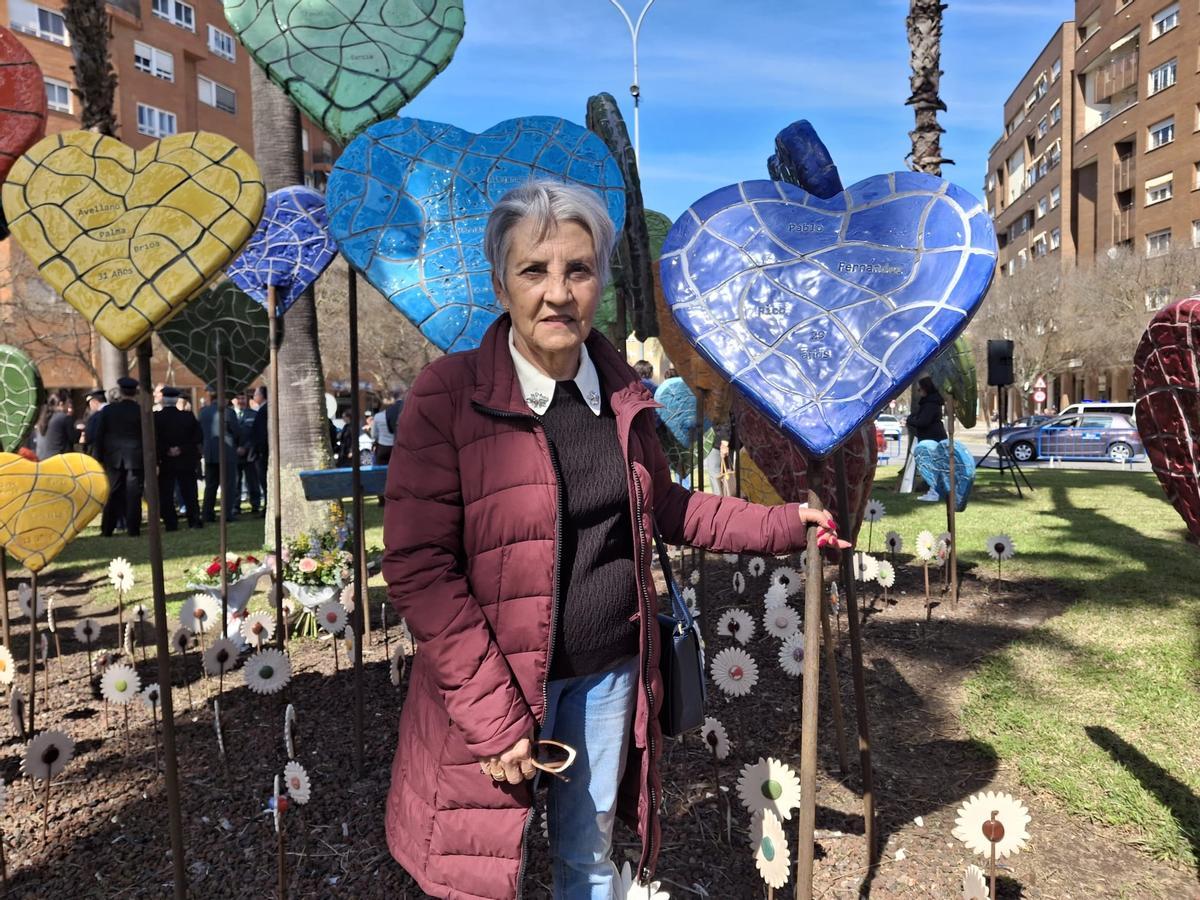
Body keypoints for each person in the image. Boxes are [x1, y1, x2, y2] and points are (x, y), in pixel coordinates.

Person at [381, 180, 847, 900]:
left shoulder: (622, 391)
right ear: (501, 284)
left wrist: (786, 524)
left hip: (607, 676)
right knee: (476, 878)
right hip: (494, 684)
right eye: (534, 270)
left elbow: (666, 507)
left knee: (588, 862)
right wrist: (495, 716)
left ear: (600, 279)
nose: (558, 293)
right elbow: (419, 568)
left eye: (578, 269)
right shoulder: (448, 396)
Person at [93, 376, 144, 537]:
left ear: (121, 392)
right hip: (135, 457)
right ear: (135, 392)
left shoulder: (108, 411)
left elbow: (99, 435)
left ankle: (107, 528)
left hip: (113, 457)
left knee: (113, 493)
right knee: (134, 494)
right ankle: (133, 529)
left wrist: (98, 456)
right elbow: (148, 436)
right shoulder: (141, 411)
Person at [155, 386, 203, 530]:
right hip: (185, 460)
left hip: (166, 460)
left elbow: (155, 439)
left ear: (163, 399)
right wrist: (181, 449)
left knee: (166, 493)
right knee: (189, 491)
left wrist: (166, 450)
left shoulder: (156, 417)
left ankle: (171, 523)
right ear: (177, 400)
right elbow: (197, 437)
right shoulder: (187, 417)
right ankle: (193, 520)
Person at [199, 385, 239, 523]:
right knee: (228, 485)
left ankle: (207, 513)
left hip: (210, 453)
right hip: (226, 453)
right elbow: (236, 431)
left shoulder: (203, 412)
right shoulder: (228, 412)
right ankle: (226, 513)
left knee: (211, 485)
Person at [907, 376, 949, 502]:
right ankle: (934, 490)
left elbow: (923, 421)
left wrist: (910, 420)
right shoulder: (929, 403)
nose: (919, 392)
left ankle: (935, 492)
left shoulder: (930, 404)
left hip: (932, 438)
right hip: (932, 436)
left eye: (919, 390)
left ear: (925, 389)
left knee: (932, 465)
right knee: (934, 465)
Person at [232, 392, 262, 515]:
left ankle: (255, 504)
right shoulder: (229, 414)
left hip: (249, 454)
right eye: (238, 398)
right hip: (233, 453)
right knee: (235, 481)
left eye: (243, 398)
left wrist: (246, 447)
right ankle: (235, 506)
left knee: (252, 481)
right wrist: (235, 448)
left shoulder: (254, 415)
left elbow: (255, 434)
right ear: (234, 400)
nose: (241, 400)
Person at [36, 392, 75, 458]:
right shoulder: (64, 417)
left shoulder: (43, 417)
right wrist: (80, 432)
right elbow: (73, 438)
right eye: (67, 403)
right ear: (61, 404)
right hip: (57, 460)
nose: (69, 406)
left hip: (41, 459)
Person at [249, 386, 269, 508]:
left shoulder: (263, 411)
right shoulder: (263, 410)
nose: (254, 397)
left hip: (263, 453)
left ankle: (267, 506)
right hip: (263, 452)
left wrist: (259, 451)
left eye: (256, 394)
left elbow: (261, 433)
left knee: (265, 481)